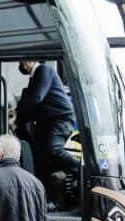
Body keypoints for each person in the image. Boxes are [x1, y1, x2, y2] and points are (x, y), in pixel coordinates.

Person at [13, 60, 79, 209]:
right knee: (40, 159)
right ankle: (48, 200)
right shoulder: (34, 78)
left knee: (53, 149)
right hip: (46, 121)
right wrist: (18, 120)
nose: (20, 65)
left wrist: (18, 112)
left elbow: (36, 99)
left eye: (21, 62)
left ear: (29, 61)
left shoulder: (44, 70)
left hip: (60, 118)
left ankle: (81, 169)